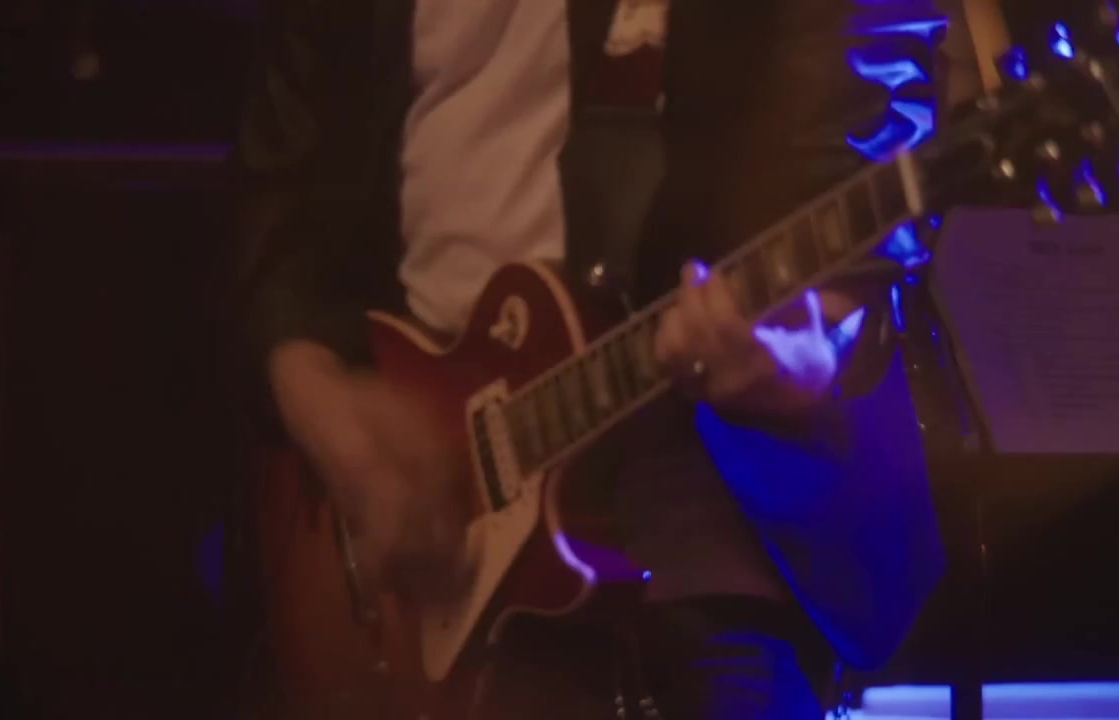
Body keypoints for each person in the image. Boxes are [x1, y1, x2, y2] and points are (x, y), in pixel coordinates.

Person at [235, 0, 947, 717]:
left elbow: (868, 121)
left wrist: (812, 347)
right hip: (414, 483)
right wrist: (316, 392)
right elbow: (289, 166)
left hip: (695, 512)